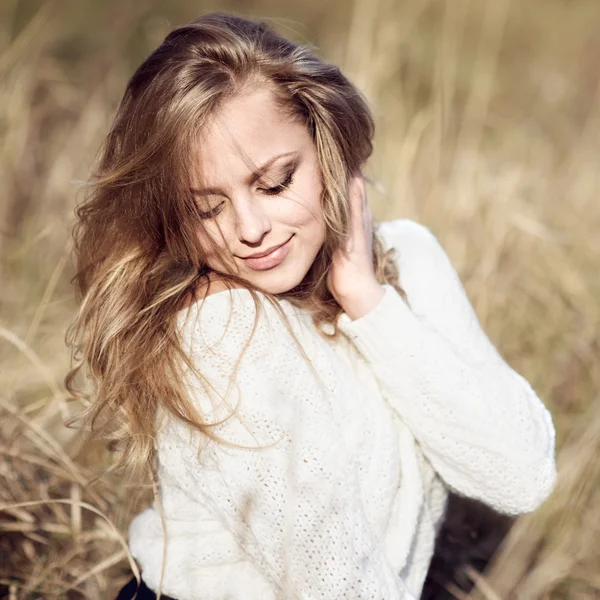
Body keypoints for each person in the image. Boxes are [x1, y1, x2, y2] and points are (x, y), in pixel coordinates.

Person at [65, 12, 557, 600]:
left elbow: (522, 475)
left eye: (274, 183)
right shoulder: (219, 327)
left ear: (327, 142)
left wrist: (369, 304)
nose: (249, 230)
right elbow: (339, 584)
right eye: (207, 208)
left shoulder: (410, 256)